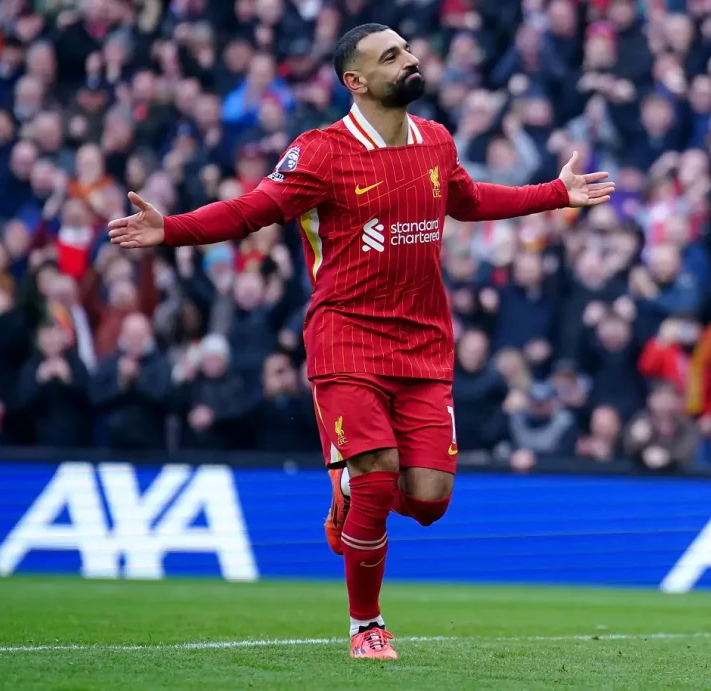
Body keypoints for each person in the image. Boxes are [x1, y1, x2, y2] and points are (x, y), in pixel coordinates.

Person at [107, 24, 613, 659]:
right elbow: (252, 210)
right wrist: (172, 231)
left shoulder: (437, 141)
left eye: (407, 50)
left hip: (425, 346)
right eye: (391, 56)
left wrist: (554, 194)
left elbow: (469, 199)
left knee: (428, 501)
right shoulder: (321, 153)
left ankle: (350, 491)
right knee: (377, 479)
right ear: (355, 81)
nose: (410, 60)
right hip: (347, 339)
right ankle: (366, 626)